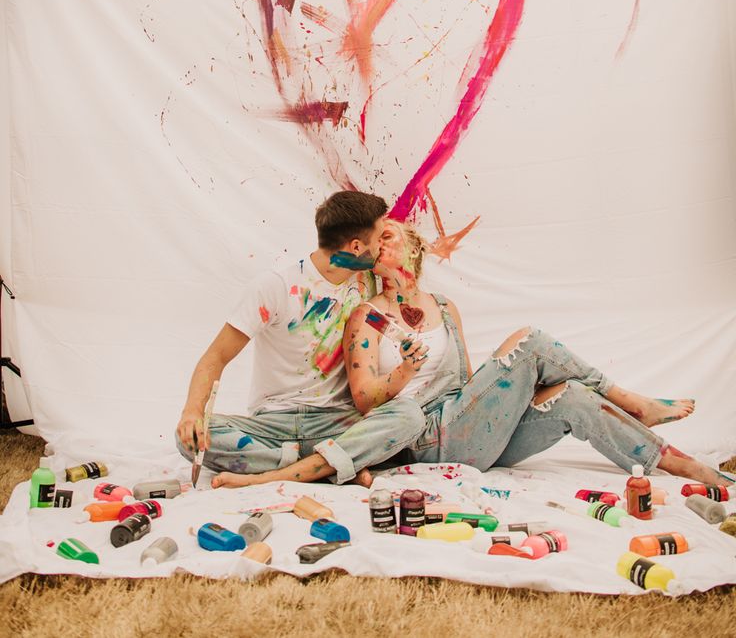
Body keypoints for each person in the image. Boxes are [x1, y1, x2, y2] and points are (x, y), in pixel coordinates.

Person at [211, 219, 734, 491]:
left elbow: (463, 382)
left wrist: (514, 397)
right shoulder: (365, 316)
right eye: (374, 242)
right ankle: (631, 399)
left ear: (413, 249)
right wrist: (406, 375)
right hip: (425, 438)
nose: (379, 247)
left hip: (470, 429)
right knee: (531, 341)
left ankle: (677, 463)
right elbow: (369, 404)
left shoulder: (445, 307)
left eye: (389, 238)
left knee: (571, 397)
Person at [176, 192, 426, 483]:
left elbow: (406, 284)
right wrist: (192, 413)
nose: (382, 247)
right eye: (378, 239)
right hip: (272, 424)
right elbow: (215, 358)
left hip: (336, 422)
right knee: (189, 439)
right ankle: (327, 466)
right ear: (356, 247)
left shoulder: (367, 282)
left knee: (409, 415)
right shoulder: (276, 285)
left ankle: (276, 473)